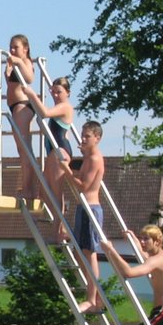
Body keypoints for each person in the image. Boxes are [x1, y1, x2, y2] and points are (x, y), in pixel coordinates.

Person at [58, 121, 106, 313]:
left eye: (87, 137)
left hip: (91, 208)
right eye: (83, 136)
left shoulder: (94, 159)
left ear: (97, 138)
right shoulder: (88, 157)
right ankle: (97, 297)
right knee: (81, 252)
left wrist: (66, 170)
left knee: (89, 253)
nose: (83, 139)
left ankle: (91, 299)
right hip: (83, 208)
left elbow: (83, 186)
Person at [23, 79, 75, 241]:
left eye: (58, 91)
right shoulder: (58, 108)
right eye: (53, 91)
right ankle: (59, 227)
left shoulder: (65, 107)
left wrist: (32, 95)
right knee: (44, 192)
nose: (55, 95)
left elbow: (44, 113)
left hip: (60, 152)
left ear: (67, 93)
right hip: (54, 152)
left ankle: (59, 231)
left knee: (56, 193)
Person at [4, 34, 37, 198]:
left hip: (22, 106)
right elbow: (10, 83)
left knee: (25, 149)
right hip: (14, 106)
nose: (12, 50)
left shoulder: (25, 62)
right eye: (10, 46)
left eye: (15, 47)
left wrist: (16, 61)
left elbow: (30, 78)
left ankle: (27, 189)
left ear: (25, 48)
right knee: (21, 149)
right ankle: (29, 188)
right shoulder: (14, 63)